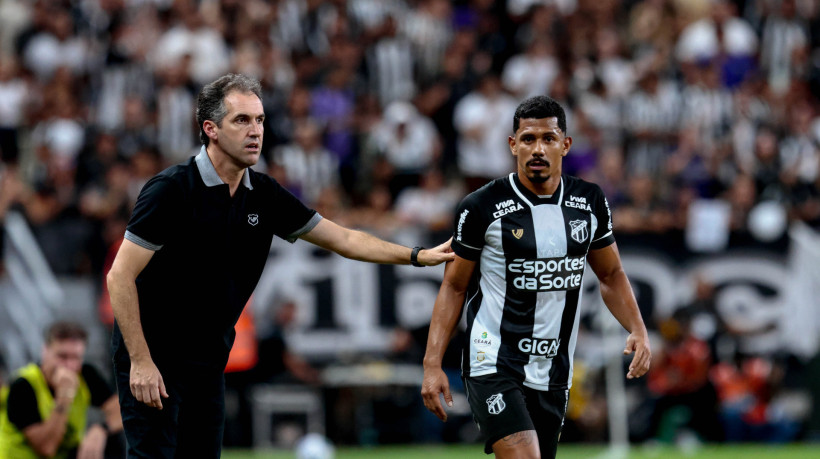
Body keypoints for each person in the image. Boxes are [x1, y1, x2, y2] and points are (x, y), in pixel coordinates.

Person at [105, 73, 454, 458]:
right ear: (211, 129)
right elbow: (119, 276)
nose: (255, 131)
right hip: (154, 354)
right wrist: (140, 361)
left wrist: (416, 255)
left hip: (207, 358)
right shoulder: (171, 189)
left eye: (259, 120)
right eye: (241, 120)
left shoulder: (264, 195)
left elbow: (345, 239)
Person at [421, 95, 651, 458]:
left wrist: (637, 329)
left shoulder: (589, 201)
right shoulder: (481, 206)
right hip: (493, 360)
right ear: (513, 145)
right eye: (528, 139)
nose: (538, 149)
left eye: (548, 138)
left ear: (566, 144)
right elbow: (453, 286)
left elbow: (610, 274)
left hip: (553, 369)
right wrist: (432, 364)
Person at [0, 321, 123, 459]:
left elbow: (120, 411)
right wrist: (64, 397)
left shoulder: (85, 374)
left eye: (76, 357)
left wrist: (101, 430)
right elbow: (47, 448)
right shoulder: (23, 386)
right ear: (45, 351)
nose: (69, 365)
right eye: (62, 356)